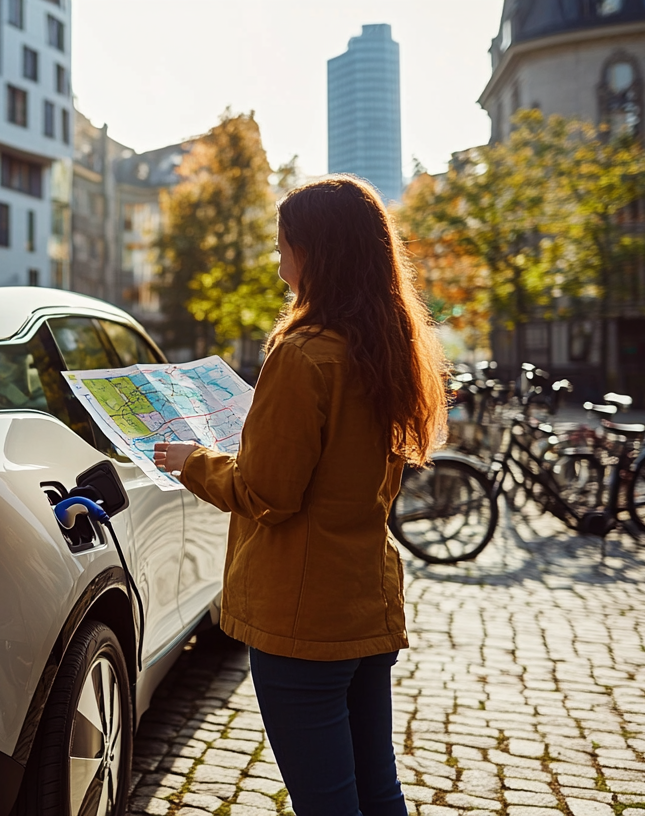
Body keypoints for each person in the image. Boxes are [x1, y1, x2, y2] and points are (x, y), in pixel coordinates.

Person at [154, 175, 447, 816]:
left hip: (303, 617)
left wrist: (191, 462)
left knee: (329, 801)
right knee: (377, 791)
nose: (278, 259)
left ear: (314, 252)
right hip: (364, 601)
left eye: (283, 245)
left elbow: (268, 491)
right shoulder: (387, 346)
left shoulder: (303, 353)